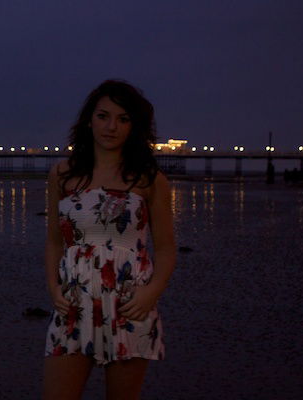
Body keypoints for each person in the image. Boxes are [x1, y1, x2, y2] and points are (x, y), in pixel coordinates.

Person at [42, 79, 176, 400]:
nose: (111, 127)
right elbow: (53, 242)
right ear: (89, 120)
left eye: (123, 119)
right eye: (103, 116)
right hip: (74, 305)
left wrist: (150, 293)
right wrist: (54, 288)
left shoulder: (149, 180)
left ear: (135, 127)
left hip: (130, 307)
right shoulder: (62, 175)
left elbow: (167, 249)